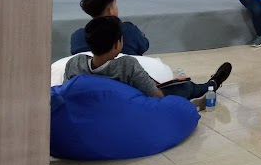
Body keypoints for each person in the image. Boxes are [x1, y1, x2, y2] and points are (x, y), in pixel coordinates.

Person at [64, 16, 231, 106]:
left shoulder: (74, 63)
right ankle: (211, 85)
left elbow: (67, 92)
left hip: (90, 107)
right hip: (127, 108)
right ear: (117, 44)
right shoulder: (126, 65)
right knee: (181, 87)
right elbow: (157, 97)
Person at [70, 0, 149, 56]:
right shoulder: (129, 30)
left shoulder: (78, 36)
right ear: (110, 10)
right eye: (115, 4)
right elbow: (144, 46)